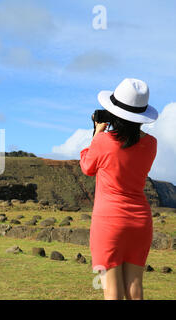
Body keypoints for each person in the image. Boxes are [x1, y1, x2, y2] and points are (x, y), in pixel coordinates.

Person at [80, 78, 159, 300]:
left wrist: (96, 133)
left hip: (109, 221)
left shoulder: (104, 141)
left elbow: (87, 167)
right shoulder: (151, 144)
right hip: (140, 220)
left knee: (112, 292)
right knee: (135, 289)